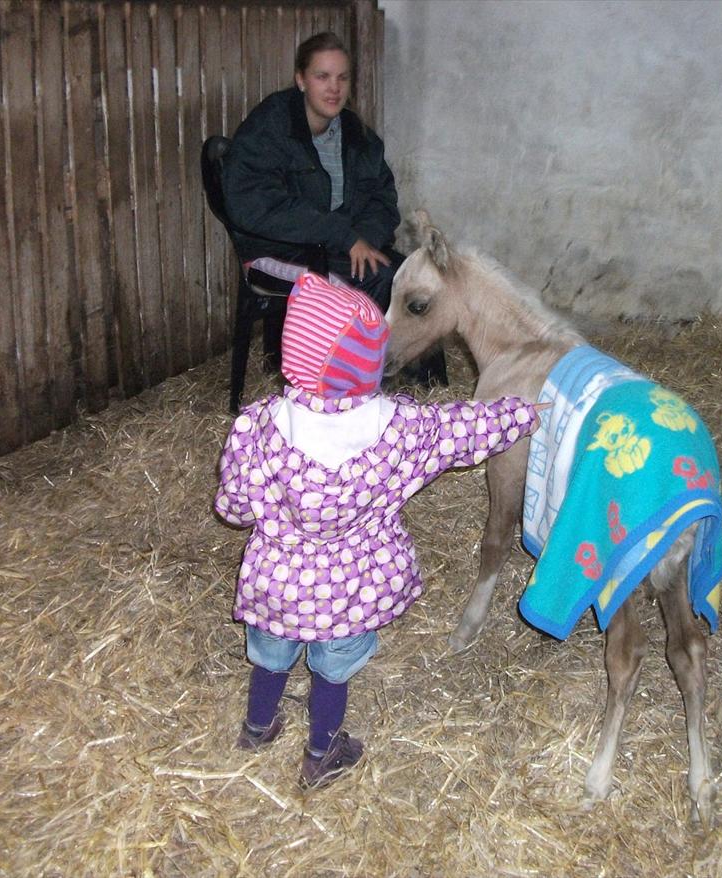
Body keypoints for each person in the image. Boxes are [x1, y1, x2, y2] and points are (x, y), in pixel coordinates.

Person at [213, 273, 541, 790]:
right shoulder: (400, 428)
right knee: (332, 670)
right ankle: (322, 752)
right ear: (367, 364)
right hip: (353, 588)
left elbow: (233, 508)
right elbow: (463, 429)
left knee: (271, 657)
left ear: (295, 354)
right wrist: (521, 413)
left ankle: (257, 729)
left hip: (275, 583)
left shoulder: (256, 428)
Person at [221, 31, 446, 387]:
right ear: (300, 79)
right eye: (322, 76)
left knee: (415, 279)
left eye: (342, 77)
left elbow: (382, 197)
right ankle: (365, 397)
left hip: (340, 247)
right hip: (280, 249)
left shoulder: (354, 133)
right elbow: (252, 203)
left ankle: (432, 394)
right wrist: (341, 235)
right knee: (373, 286)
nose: (334, 88)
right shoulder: (272, 126)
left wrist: (365, 239)